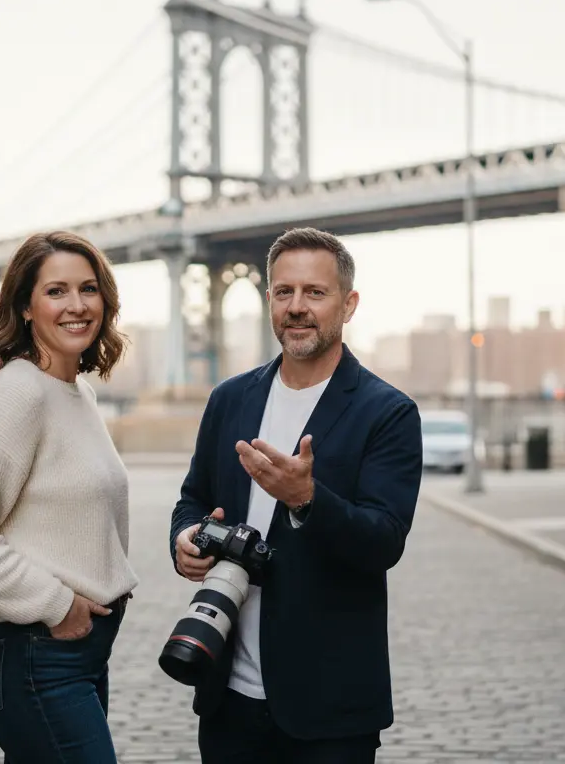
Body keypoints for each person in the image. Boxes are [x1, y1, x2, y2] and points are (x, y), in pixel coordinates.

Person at [168, 227, 424, 763]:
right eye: (284, 292)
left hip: (329, 708)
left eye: (315, 292)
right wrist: (186, 538)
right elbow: (192, 498)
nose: (297, 307)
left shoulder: (389, 413)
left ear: (348, 304)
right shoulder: (230, 399)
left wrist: (306, 499)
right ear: (268, 301)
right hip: (228, 699)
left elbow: (383, 543)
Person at [0, 230, 138, 764]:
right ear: (25, 306)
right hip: (34, 658)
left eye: (88, 289)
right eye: (56, 291)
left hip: (80, 656)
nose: (76, 306)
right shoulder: (18, 393)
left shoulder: (77, 393)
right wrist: (56, 604)